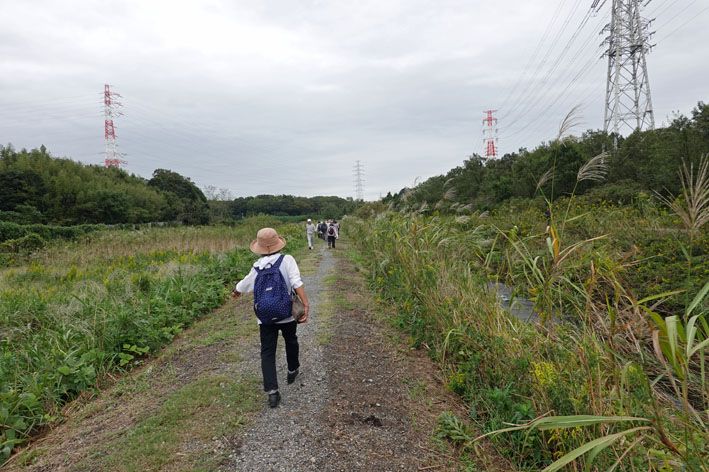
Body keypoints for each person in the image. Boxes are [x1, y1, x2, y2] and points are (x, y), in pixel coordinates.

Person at [232, 227, 310, 408]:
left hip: (265, 317)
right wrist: (305, 304)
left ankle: (272, 392)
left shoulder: (257, 266)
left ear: (259, 246)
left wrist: (236, 290)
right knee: (291, 340)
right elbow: (296, 282)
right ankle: (292, 369)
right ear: (278, 243)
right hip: (286, 313)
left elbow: (244, 285)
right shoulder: (287, 260)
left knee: (267, 351)